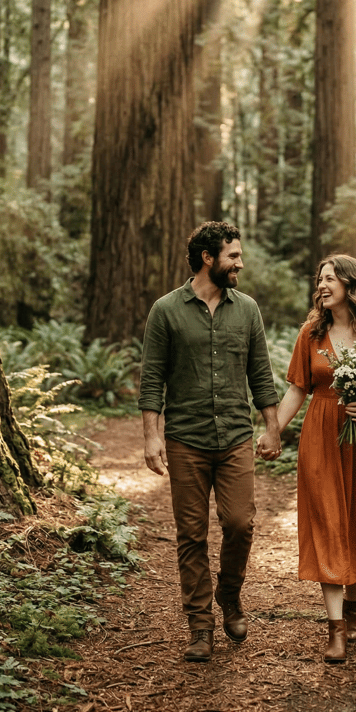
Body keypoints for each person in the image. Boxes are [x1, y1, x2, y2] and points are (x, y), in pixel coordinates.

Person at [139, 221, 281, 663]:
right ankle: (200, 626)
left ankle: (230, 596)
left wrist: (273, 427)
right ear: (208, 258)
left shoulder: (248, 310)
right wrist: (151, 437)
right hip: (187, 439)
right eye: (233, 256)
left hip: (236, 436)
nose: (240, 263)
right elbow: (151, 380)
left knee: (240, 523)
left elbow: (261, 374)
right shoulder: (166, 310)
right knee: (192, 535)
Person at [257, 254, 356, 664]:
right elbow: (296, 390)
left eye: (329, 279)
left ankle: (354, 610)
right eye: (319, 280)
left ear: (350, 284)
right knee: (328, 522)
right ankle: (335, 629)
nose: (321, 286)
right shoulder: (311, 334)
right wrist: (274, 431)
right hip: (321, 435)